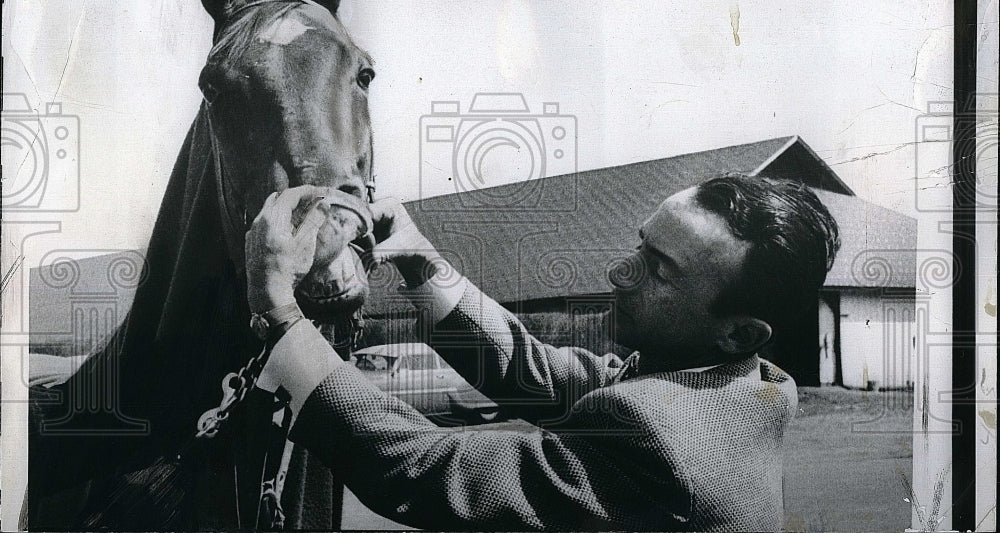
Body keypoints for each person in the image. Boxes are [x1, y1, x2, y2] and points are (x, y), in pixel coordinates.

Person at [247, 174, 840, 531]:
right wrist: (417, 255)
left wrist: (280, 312)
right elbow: (532, 373)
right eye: (641, 245)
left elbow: (434, 473)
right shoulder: (736, 385)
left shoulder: (663, 442)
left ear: (740, 334)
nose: (619, 274)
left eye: (659, 272)